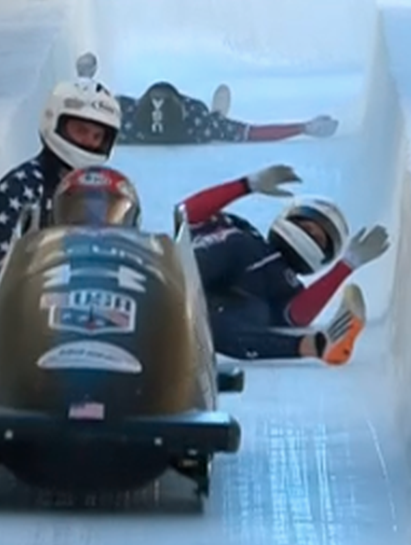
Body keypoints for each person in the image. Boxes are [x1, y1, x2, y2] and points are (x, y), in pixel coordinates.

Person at [179, 163, 390, 366]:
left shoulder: (288, 286)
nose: (311, 236)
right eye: (308, 228)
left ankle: (321, 345)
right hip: (172, 273)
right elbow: (185, 214)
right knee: (238, 245)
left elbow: (296, 315)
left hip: (198, 317)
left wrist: (347, 265)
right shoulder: (240, 230)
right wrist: (246, 185)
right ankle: (174, 285)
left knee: (250, 315)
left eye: (318, 239)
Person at [0, 77, 123, 272]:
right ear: (55, 121)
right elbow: (6, 277)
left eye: (97, 136)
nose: (89, 142)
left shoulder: (110, 192)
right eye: (81, 131)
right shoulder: (20, 188)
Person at [116, 81, 339, 145]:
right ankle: (219, 117)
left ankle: (219, 118)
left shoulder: (121, 121)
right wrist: (303, 128)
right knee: (217, 125)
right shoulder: (198, 125)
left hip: (135, 119)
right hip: (200, 121)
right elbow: (253, 133)